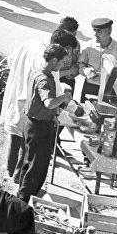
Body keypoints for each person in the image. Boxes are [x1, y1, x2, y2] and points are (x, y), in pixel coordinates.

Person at [1, 31, 78, 182]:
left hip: (19, 92)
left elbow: (10, 60)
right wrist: (69, 103)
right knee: (26, 144)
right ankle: (16, 177)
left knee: (15, 136)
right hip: (33, 102)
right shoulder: (48, 68)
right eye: (65, 54)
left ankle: (11, 173)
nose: (65, 61)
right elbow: (54, 95)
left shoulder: (32, 43)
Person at [18, 43, 77, 202]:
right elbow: (49, 103)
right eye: (61, 62)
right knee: (37, 166)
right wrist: (64, 97)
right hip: (39, 127)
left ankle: (23, 195)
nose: (62, 66)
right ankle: (24, 200)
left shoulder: (37, 72)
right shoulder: (44, 79)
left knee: (29, 162)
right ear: (53, 61)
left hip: (34, 123)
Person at [79, 17, 117, 104]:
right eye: (94, 31)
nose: (95, 34)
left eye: (99, 31)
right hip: (90, 87)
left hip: (111, 90)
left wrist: (108, 79)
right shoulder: (88, 46)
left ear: (108, 31)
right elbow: (80, 65)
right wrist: (85, 70)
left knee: (108, 115)